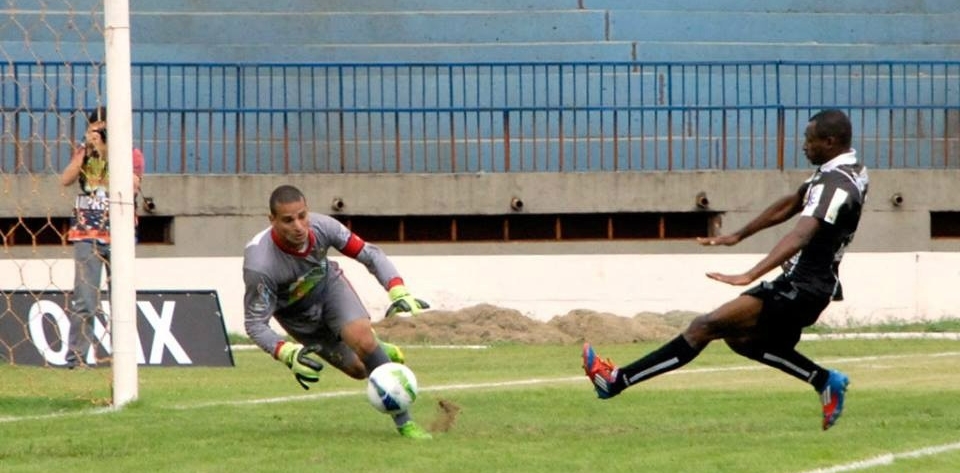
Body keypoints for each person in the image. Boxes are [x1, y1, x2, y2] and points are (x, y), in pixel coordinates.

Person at [582, 109, 868, 431]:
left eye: (809, 140)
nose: (803, 146)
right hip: (807, 286)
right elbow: (792, 203)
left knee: (705, 326)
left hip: (803, 289)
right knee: (738, 338)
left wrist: (750, 274)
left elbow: (801, 234)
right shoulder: (844, 171)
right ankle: (824, 380)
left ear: (830, 141)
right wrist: (737, 236)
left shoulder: (836, 185)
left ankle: (615, 381)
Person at [242, 184, 433, 440]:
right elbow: (255, 323)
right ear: (272, 220)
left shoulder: (324, 227)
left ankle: (405, 422)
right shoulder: (260, 265)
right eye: (288, 220)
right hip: (297, 318)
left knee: (363, 341)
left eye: (302, 216)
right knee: (360, 370)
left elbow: (370, 254)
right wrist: (286, 352)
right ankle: (379, 349)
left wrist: (397, 289)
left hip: (330, 290)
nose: (298, 226)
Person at [60, 106, 145, 368]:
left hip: (118, 233)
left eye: (102, 129)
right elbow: (65, 179)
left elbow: (132, 183)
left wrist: (108, 149)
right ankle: (76, 358)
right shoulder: (83, 154)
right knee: (84, 299)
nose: (98, 134)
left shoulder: (131, 154)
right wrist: (87, 150)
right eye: (94, 129)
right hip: (87, 233)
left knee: (120, 299)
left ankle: (122, 357)